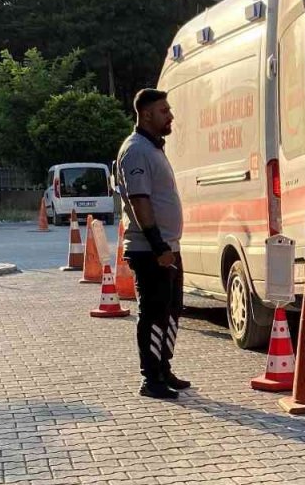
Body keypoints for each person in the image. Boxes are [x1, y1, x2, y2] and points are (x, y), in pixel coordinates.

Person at [116, 89, 190, 400]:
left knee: (171, 311)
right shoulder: (135, 151)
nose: (170, 115)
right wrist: (159, 245)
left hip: (168, 247)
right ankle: (151, 378)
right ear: (146, 114)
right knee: (153, 313)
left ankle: (163, 367)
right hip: (151, 250)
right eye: (164, 111)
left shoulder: (154, 148)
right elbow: (139, 200)